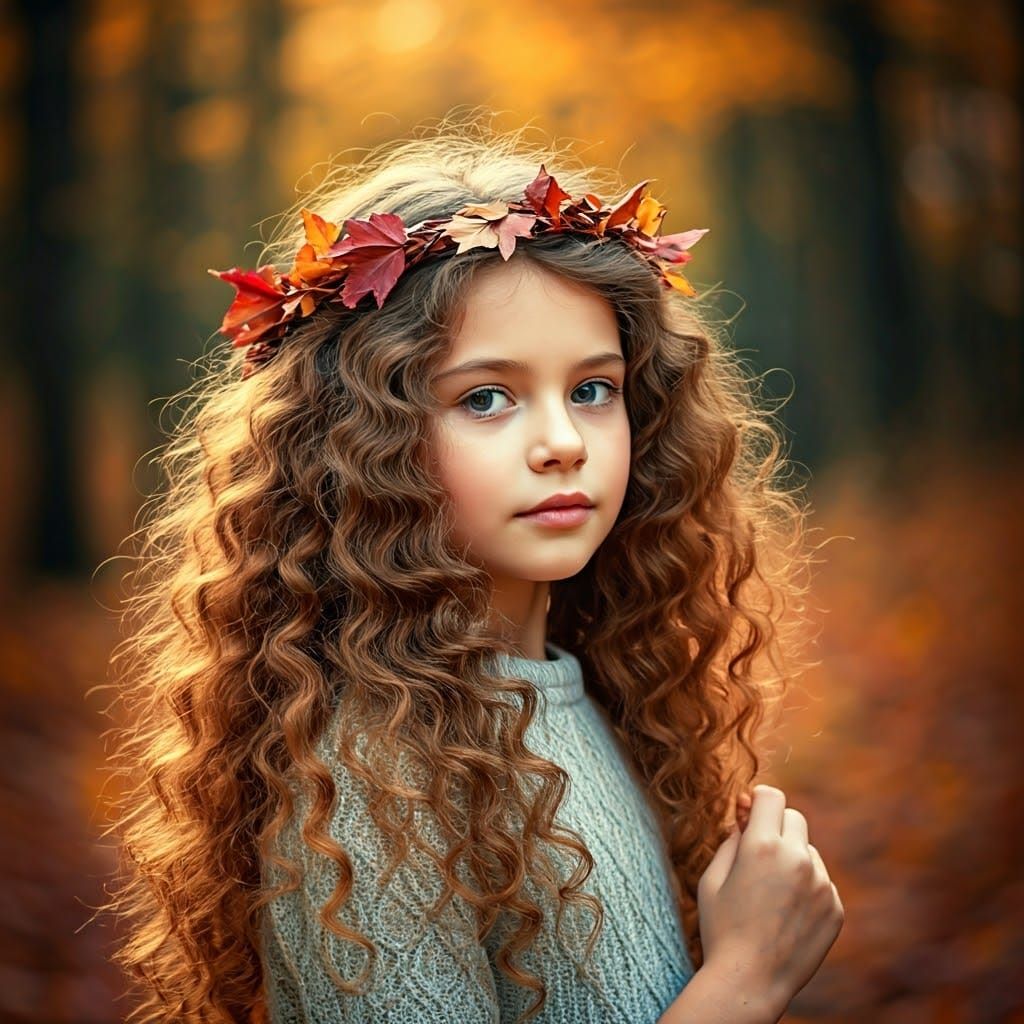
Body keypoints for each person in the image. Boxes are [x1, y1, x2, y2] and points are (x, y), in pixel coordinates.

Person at [103, 118, 842, 1024]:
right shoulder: (377, 780)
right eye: (486, 398)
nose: (564, 443)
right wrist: (748, 981)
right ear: (360, 442)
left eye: (592, 389)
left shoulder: (595, 697)